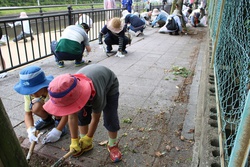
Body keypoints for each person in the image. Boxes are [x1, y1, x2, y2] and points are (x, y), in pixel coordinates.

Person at [43, 64, 122, 162]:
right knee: (81, 115)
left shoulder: (97, 96)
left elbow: (96, 117)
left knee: (110, 116)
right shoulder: (69, 90)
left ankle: (112, 144)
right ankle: (83, 142)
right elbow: (72, 117)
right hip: (84, 87)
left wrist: (90, 137)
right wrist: (74, 140)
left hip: (109, 85)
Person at [13, 66, 68, 144]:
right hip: (46, 106)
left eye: (35, 89)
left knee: (53, 106)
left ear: (43, 85)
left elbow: (68, 112)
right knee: (34, 107)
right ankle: (47, 120)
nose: (33, 93)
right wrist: (30, 129)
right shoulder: (29, 94)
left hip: (60, 110)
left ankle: (58, 120)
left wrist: (58, 130)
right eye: (29, 91)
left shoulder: (54, 91)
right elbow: (28, 114)